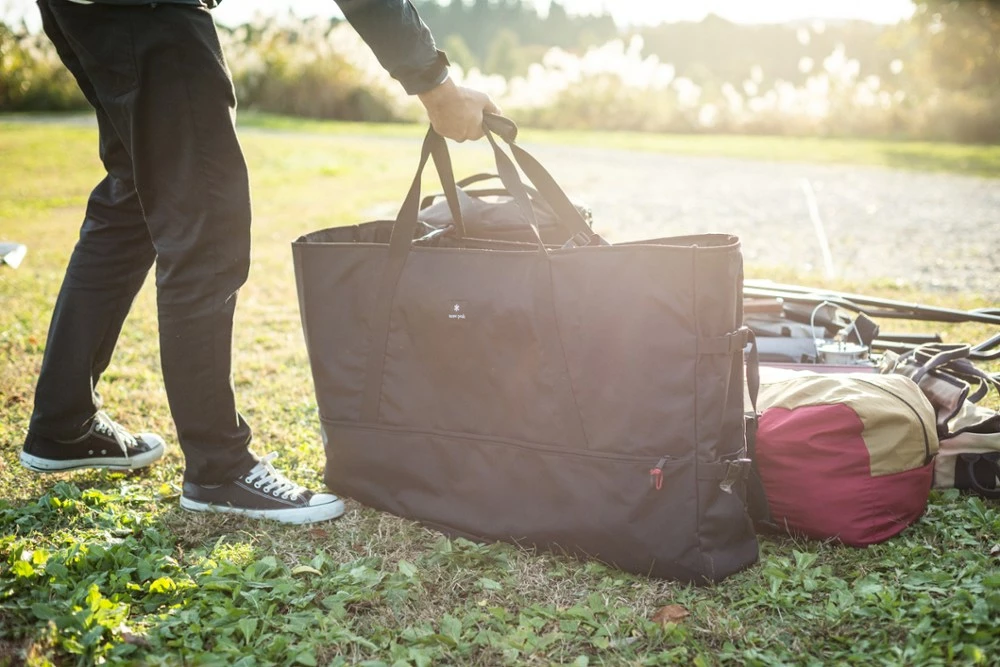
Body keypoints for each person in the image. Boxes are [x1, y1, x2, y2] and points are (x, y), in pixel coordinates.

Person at [19, 0, 499, 525]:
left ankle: (63, 422)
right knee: (207, 222)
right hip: (150, 10)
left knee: (132, 198)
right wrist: (436, 86)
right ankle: (218, 468)